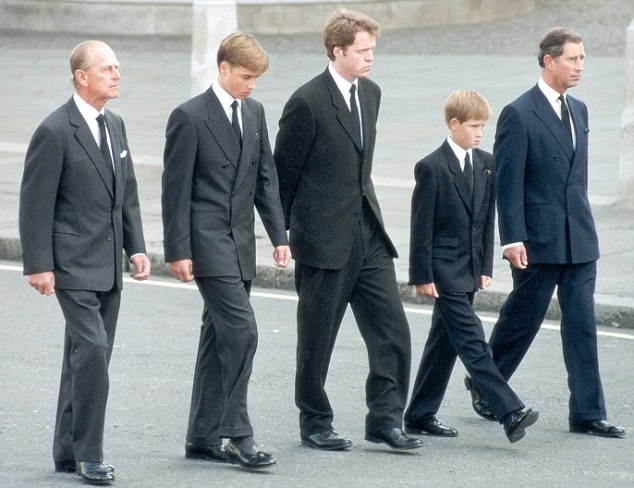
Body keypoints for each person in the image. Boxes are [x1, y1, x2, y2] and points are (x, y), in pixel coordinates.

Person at [465, 27, 625, 439]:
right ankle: (487, 382)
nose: (580, 67)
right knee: (523, 318)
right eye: (572, 59)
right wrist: (512, 237)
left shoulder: (581, 110)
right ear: (548, 61)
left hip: (579, 239)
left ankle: (588, 413)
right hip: (537, 239)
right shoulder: (519, 113)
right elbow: (508, 180)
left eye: (583, 59)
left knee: (582, 324)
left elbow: (578, 178)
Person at [274, 8, 421, 452]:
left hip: (369, 234)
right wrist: (281, 237)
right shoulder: (306, 102)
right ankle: (315, 421)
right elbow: (283, 177)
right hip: (322, 238)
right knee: (317, 337)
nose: (370, 57)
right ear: (338, 51)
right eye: (363, 50)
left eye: (373, 49)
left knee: (393, 332)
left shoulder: (371, 94)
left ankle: (385, 419)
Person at [19, 40, 151, 484]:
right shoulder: (55, 130)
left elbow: (126, 195)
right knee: (92, 351)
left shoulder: (115, 125)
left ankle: (65, 450)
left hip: (108, 264)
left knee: (85, 355)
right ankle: (89, 454)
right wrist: (39, 265)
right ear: (82, 76)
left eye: (118, 67)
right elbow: (34, 204)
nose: (117, 75)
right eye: (108, 68)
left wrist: (136, 247)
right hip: (71, 262)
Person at [161, 32, 291, 469]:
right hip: (206, 243)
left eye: (256, 78)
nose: (252, 85)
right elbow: (174, 190)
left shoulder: (254, 112)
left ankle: (201, 437)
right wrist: (177, 250)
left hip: (241, 243)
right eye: (245, 76)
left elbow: (265, 178)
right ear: (223, 69)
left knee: (218, 336)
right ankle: (237, 433)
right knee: (243, 332)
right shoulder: (189, 116)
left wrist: (279, 236)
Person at [403, 91, 538, 444]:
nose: (480, 133)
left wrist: (484, 266)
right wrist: (422, 276)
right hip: (442, 271)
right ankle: (510, 411)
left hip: (468, 269)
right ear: (454, 124)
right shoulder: (431, 167)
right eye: (474, 126)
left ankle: (419, 414)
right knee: (472, 338)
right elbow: (421, 227)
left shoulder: (487, 163)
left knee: (442, 345)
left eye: (483, 126)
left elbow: (485, 221)